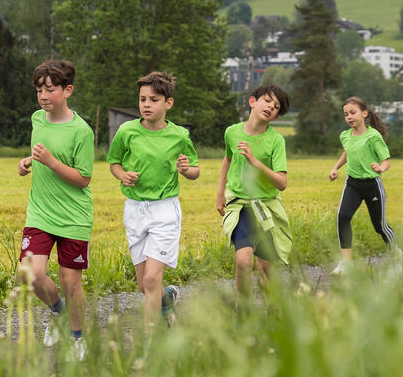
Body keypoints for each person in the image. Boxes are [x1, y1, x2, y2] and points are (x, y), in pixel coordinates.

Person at [108, 71, 199, 331]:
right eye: (142, 99)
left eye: (154, 100)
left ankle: (149, 347)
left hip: (164, 210)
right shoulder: (127, 131)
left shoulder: (179, 136)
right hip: (135, 210)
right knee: (144, 285)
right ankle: (167, 299)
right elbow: (114, 163)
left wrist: (185, 170)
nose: (146, 104)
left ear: (168, 103)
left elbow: (194, 171)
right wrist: (122, 175)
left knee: (150, 281)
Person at [17, 60, 94, 360]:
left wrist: (49, 161)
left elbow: (83, 178)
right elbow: (43, 153)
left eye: (50, 89)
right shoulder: (38, 119)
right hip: (40, 213)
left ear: (68, 90)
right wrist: (29, 162)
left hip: (74, 216)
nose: (43, 96)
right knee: (32, 274)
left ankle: (77, 337)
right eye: (39, 90)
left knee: (71, 281)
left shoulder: (82, 131)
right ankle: (58, 311)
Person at [215, 84, 291, 298]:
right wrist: (220, 193)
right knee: (243, 261)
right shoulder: (232, 132)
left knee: (266, 267)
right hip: (241, 205)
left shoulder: (276, 141)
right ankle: (244, 310)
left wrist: (255, 161)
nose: (270, 107)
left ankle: (274, 310)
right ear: (252, 101)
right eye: (267, 100)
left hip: (265, 206)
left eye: (276, 107)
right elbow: (228, 159)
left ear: (276, 116)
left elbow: (282, 183)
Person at [328, 96, 396, 272]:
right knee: (343, 217)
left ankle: (396, 254)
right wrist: (335, 168)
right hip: (352, 184)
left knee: (379, 225)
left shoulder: (373, 136)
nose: (349, 117)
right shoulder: (345, 135)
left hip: (372, 184)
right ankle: (346, 263)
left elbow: (386, 160)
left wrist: (381, 167)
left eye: (353, 112)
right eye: (346, 114)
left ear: (364, 113)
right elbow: (347, 152)